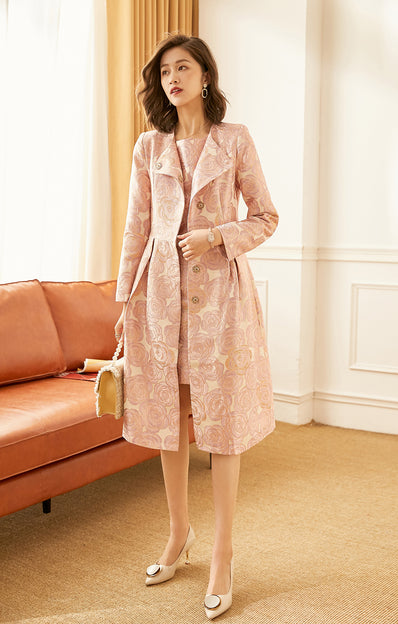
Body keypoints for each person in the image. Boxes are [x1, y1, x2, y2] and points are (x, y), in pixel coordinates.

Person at [114, 33, 279, 620]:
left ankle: (222, 554)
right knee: (169, 420)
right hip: (158, 298)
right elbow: (136, 228)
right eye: (164, 72)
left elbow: (266, 217)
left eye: (182, 68)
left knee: (222, 427)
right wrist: (123, 302)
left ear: (205, 75)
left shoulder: (234, 140)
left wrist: (216, 236)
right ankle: (178, 533)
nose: (173, 79)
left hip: (221, 302)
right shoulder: (149, 146)